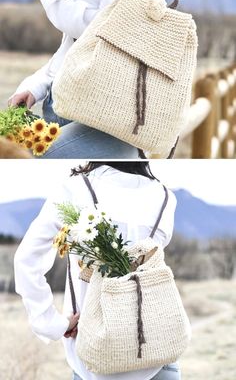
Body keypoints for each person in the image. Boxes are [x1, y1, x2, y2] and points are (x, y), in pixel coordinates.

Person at [8, 0, 175, 159]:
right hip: (81, 104)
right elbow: (80, 43)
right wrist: (36, 85)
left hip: (95, 109)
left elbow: (110, 27)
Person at [14, 161, 181, 379]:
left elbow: (27, 259)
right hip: (160, 352)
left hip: (98, 359)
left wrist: (51, 323)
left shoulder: (75, 188)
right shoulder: (165, 197)